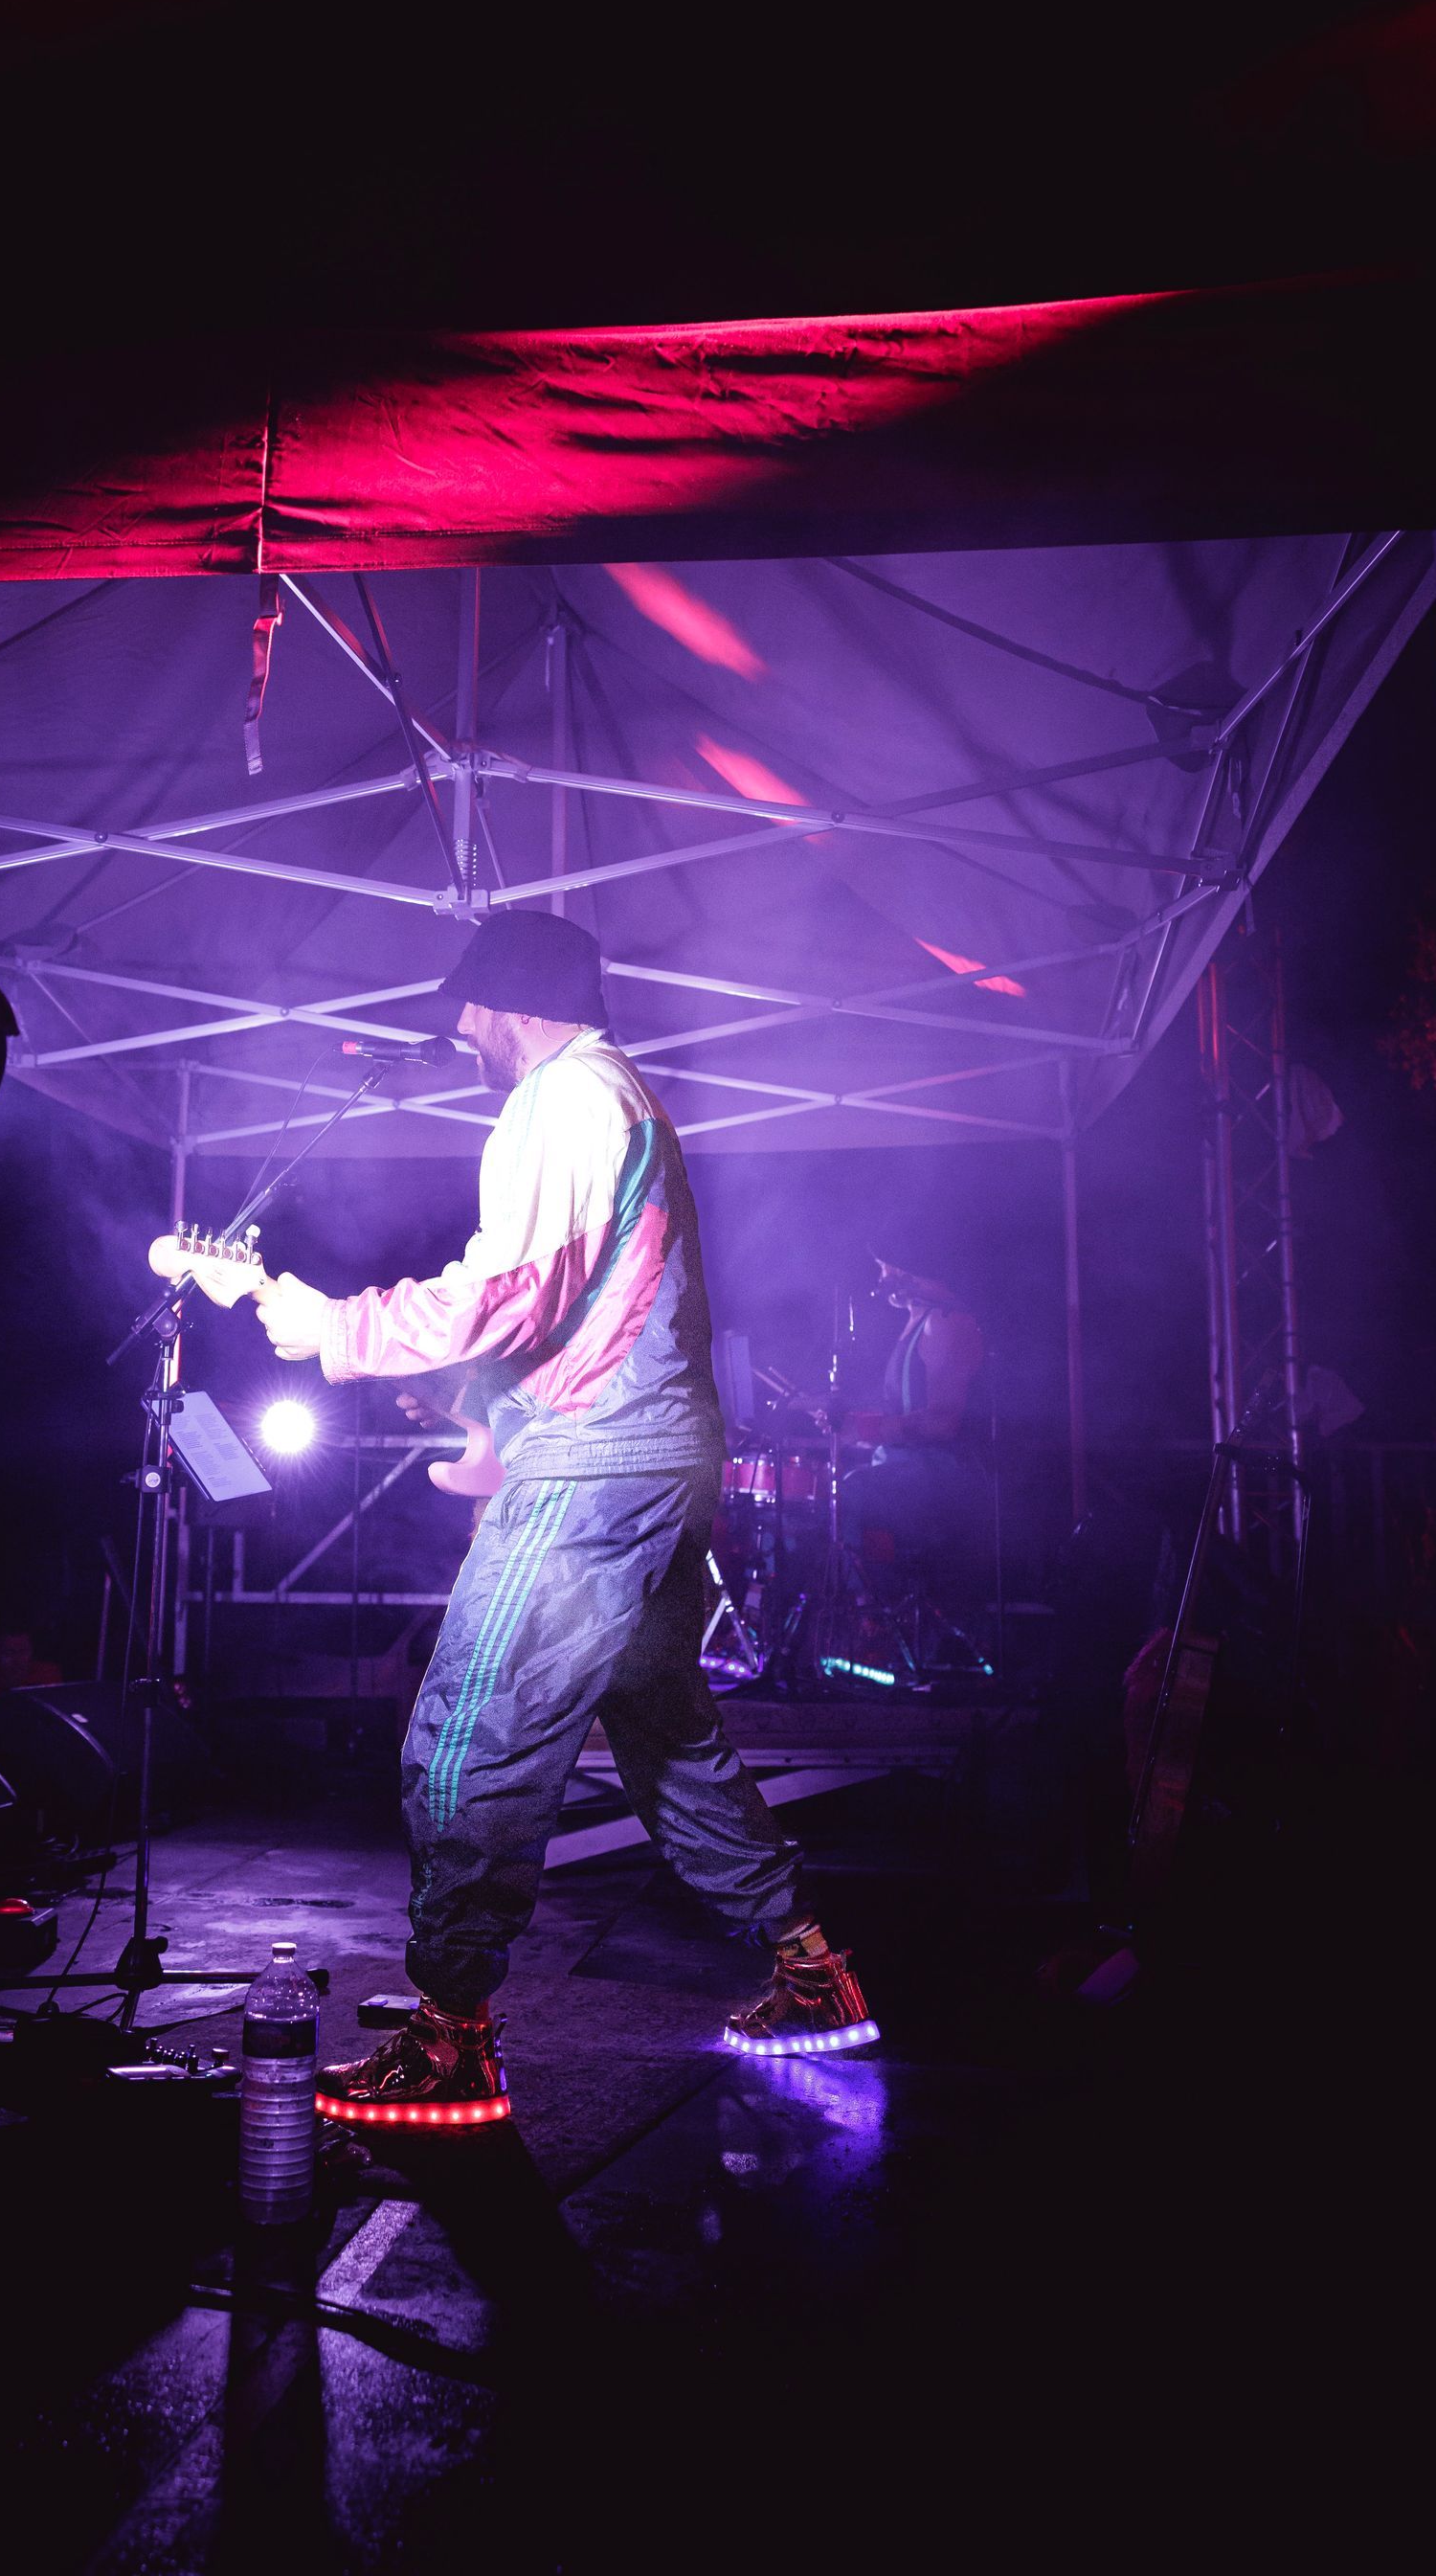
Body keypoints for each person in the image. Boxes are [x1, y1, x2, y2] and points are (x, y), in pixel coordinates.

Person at [248, 910, 874, 2125]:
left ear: (506, 1000)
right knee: (667, 1737)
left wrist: (341, 1329)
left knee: (470, 1726)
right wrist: (461, 1398)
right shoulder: (612, 1099)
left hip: (595, 1469)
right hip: (650, 1457)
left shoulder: (564, 1097)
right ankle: (813, 1972)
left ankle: (450, 2038)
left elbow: (514, 1293)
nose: (461, 1034)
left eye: (467, 1010)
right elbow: (571, 1310)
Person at [838, 1265, 991, 1602]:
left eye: (885, 1266)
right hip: (907, 1467)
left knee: (850, 1493)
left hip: (942, 1475)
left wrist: (877, 1428)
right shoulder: (915, 1322)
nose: (880, 1277)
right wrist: (854, 1425)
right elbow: (904, 1416)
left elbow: (944, 1423)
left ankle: (871, 1617)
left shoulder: (946, 1322)